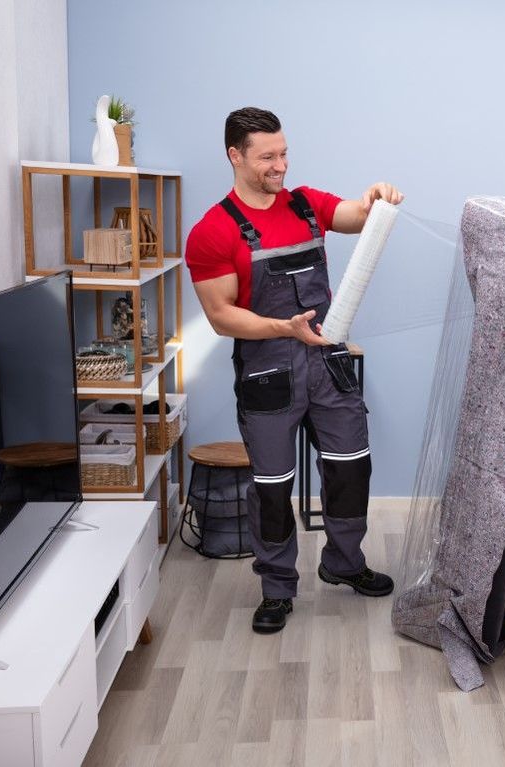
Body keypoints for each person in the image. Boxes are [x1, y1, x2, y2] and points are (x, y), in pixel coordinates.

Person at [185, 107, 404, 634]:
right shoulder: (213, 231)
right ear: (234, 155)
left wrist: (373, 199)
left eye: (283, 153)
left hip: (327, 362)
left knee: (351, 467)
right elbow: (220, 317)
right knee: (272, 485)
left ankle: (344, 563)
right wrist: (284, 328)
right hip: (269, 373)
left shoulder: (305, 204)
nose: (279, 165)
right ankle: (277, 588)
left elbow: (352, 215)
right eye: (267, 157)